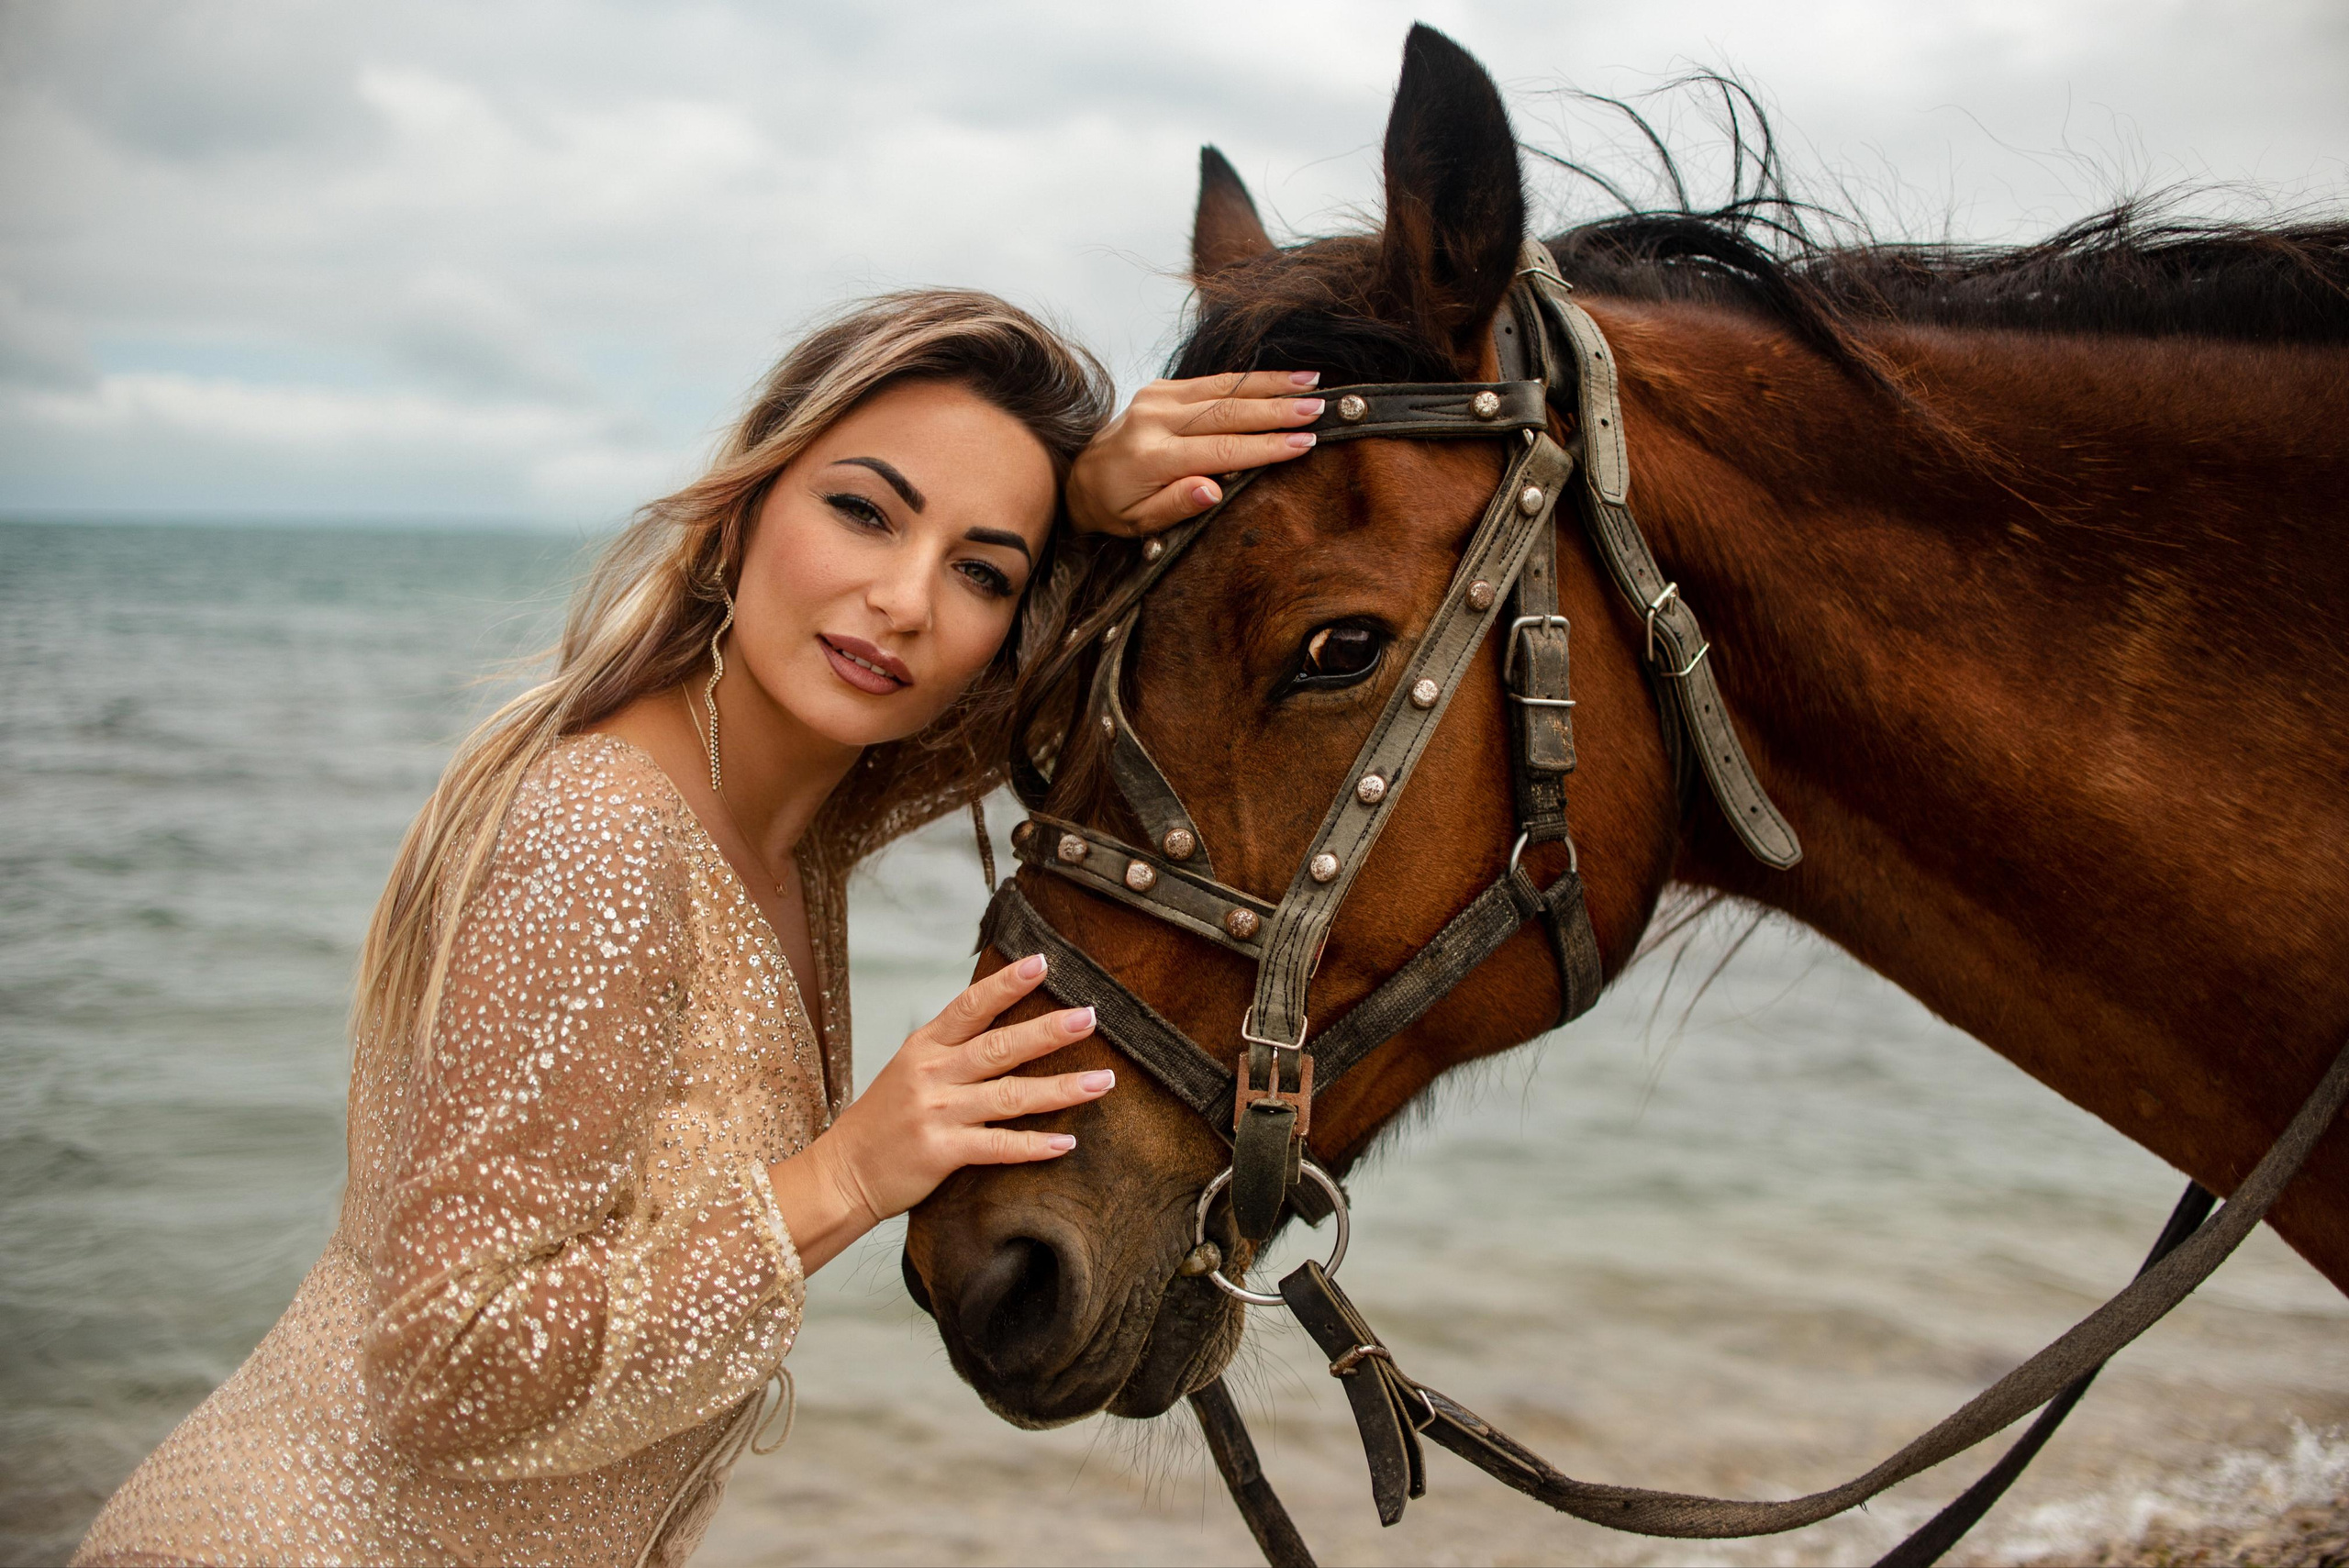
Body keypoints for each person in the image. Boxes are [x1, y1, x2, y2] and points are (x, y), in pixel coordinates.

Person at [72, 289, 1323, 1568]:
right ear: (742, 515)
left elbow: (999, 711)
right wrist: (845, 1175)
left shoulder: (792, 814)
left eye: (980, 569)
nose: (904, 599)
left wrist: (1094, 514)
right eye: (864, 510)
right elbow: (445, 1368)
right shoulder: (601, 833)